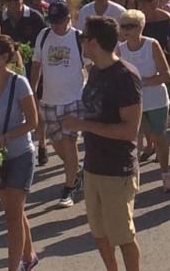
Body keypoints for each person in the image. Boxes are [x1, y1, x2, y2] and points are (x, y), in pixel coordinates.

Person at [61, 16, 143, 271]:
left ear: (93, 42)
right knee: (98, 232)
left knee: (123, 235)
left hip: (117, 169)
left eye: (83, 38)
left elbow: (130, 130)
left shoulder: (125, 77)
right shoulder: (95, 71)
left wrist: (83, 125)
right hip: (93, 166)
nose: (81, 42)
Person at [0, 35, 39, 271]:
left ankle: (15, 267)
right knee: (14, 210)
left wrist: (9, 136)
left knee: (12, 215)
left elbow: (33, 122)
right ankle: (29, 255)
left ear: (4, 57)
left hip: (20, 153)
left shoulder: (19, 83)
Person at [30, 1, 85, 207]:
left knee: (69, 143)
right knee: (57, 143)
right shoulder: (43, 36)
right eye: (52, 22)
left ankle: (69, 188)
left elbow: (89, 66)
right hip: (49, 100)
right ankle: (77, 171)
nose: (55, 26)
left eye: (59, 22)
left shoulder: (78, 38)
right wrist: (33, 92)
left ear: (68, 19)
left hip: (73, 99)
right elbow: (37, 65)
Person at [117, 9, 170, 193]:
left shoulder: (152, 44)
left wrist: (144, 82)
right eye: (123, 26)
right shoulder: (120, 49)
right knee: (134, 139)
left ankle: (165, 173)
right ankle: (134, 178)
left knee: (159, 136)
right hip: (133, 102)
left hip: (156, 99)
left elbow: (166, 74)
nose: (126, 30)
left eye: (131, 26)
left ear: (141, 27)